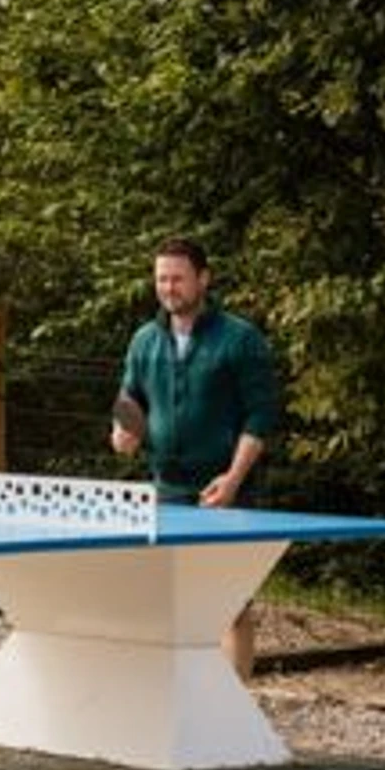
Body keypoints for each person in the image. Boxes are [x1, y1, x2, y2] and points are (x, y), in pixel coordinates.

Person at [111, 234, 282, 681]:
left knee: (229, 604)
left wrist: (233, 478)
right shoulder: (145, 340)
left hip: (225, 489)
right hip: (165, 489)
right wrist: (123, 430)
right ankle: (176, 696)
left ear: (203, 279)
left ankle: (233, 702)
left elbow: (261, 416)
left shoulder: (241, 339)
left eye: (178, 279)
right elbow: (129, 398)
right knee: (166, 600)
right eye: (161, 279)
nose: (168, 288)